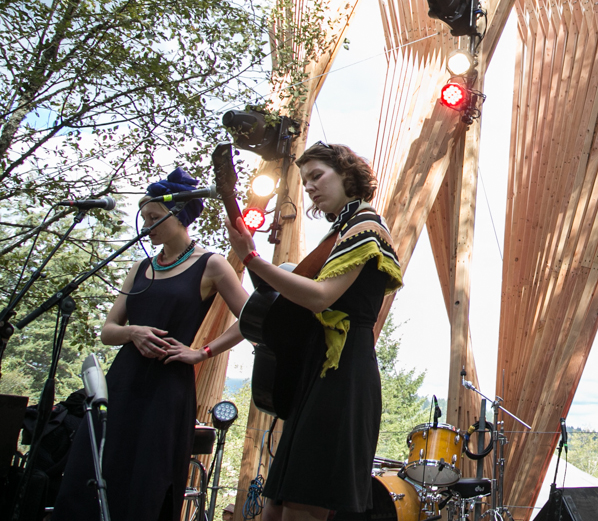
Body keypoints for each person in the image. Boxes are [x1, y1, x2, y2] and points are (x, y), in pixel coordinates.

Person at [53, 167, 249, 521]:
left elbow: (252, 318)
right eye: (145, 218)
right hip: (122, 383)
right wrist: (133, 333)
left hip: (167, 388)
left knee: (149, 477)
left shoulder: (212, 264)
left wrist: (201, 352)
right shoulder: (141, 267)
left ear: (180, 216)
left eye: (155, 218)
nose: (148, 226)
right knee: (96, 468)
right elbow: (108, 331)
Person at [226, 142, 403, 521]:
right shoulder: (340, 232)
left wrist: (251, 258)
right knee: (276, 509)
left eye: (317, 176)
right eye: (305, 181)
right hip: (319, 370)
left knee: (302, 506)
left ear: (347, 175)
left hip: (343, 373)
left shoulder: (366, 227)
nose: (309, 187)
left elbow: (321, 297)